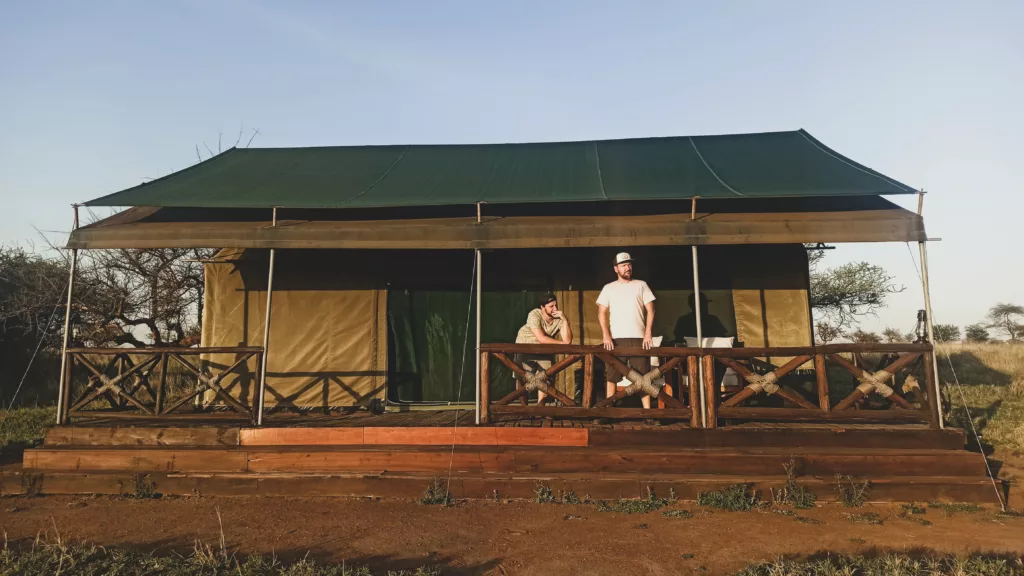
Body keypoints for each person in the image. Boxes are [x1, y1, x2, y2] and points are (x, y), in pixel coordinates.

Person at [597, 252, 664, 409]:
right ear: (616, 269)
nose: (628, 268)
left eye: (629, 264)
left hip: (638, 337)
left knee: (643, 377)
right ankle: (609, 409)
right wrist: (606, 336)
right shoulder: (609, 288)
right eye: (623, 265)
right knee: (612, 375)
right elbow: (601, 313)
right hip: (616, 339)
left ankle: (647, 412)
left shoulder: (641, 285)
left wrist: (648, 333)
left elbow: (651, 310)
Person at [514, 293, 573, 404]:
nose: (555, 309)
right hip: (525, 347)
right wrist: (562, 344)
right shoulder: (534, 314)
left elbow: (568, 340)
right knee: (523, 378)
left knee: (546, 378)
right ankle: (524, 408)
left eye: (556, 305)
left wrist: (565, 320)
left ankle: (541, 407)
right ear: (542, 307)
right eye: (551, 306)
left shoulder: (559, 318)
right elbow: (541, 338)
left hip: (544, 351)